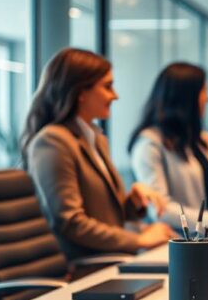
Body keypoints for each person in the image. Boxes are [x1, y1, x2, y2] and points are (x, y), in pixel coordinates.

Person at [21, 48, 173, 260]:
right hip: (85, 267)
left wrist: (133, 203)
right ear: (80, 92)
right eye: (107, 86)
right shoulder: (53, 141)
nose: (115, 96)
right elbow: (70, 222)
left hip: (110, 260)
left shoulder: (95, 139)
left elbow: (105, 216)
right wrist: (138, 240)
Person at [129, 62, 208, 233]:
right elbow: (160, 209)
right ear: (187, 97)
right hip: (174, 240)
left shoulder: (202, 139)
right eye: (204, 91)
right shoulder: (149, 143)